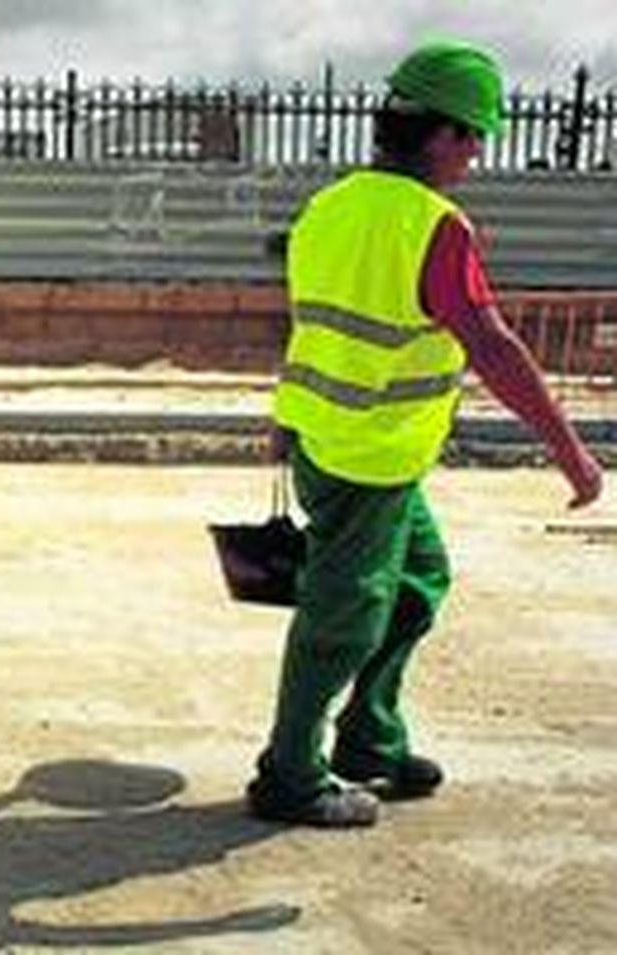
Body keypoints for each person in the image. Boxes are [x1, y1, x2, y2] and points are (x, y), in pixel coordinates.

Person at [247, 39, 605, 828]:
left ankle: (369, 740)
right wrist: (571, 452)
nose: (476, 155)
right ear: (442, 134)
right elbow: (493, 345)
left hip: (342, 442)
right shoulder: (432, 225)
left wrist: (284, 421)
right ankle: (289, 775)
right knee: (342, 617)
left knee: (416, 583)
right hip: (364, 455)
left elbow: (310, 328)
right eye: (475, 137)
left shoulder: (328, 207)